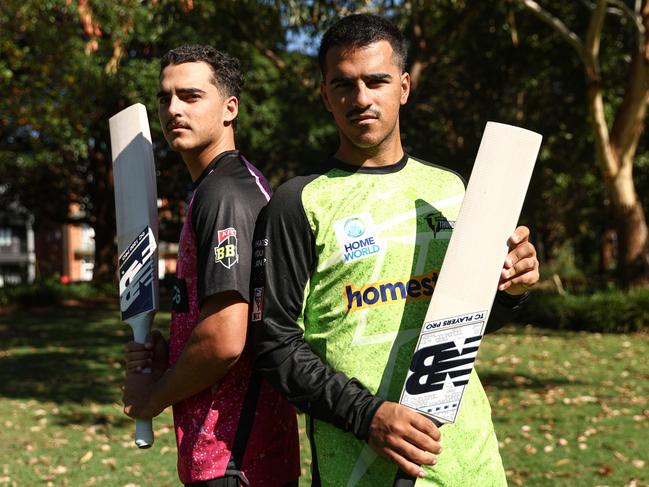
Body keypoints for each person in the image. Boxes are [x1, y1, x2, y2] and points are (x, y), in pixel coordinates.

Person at [251, 14, 539, 487]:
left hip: (470, 463)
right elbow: (275, 345)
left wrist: (511, 290)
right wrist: (368, 416)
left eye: (376, 81)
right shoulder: (298, 202)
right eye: (343, 85)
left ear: (403, 87)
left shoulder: (449, 189)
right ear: (325, 95)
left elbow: (469, 323)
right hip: (359, 470)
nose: (360, 98)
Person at [121, 45, 300, 487]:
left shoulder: (225, 195)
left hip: (236, 461)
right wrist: (178, 356)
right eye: (165, 98)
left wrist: (152, 400)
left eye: (191, 96)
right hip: (238, 458)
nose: (173, 109)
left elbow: (224, 338)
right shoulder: (222, 187)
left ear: (229, 108)